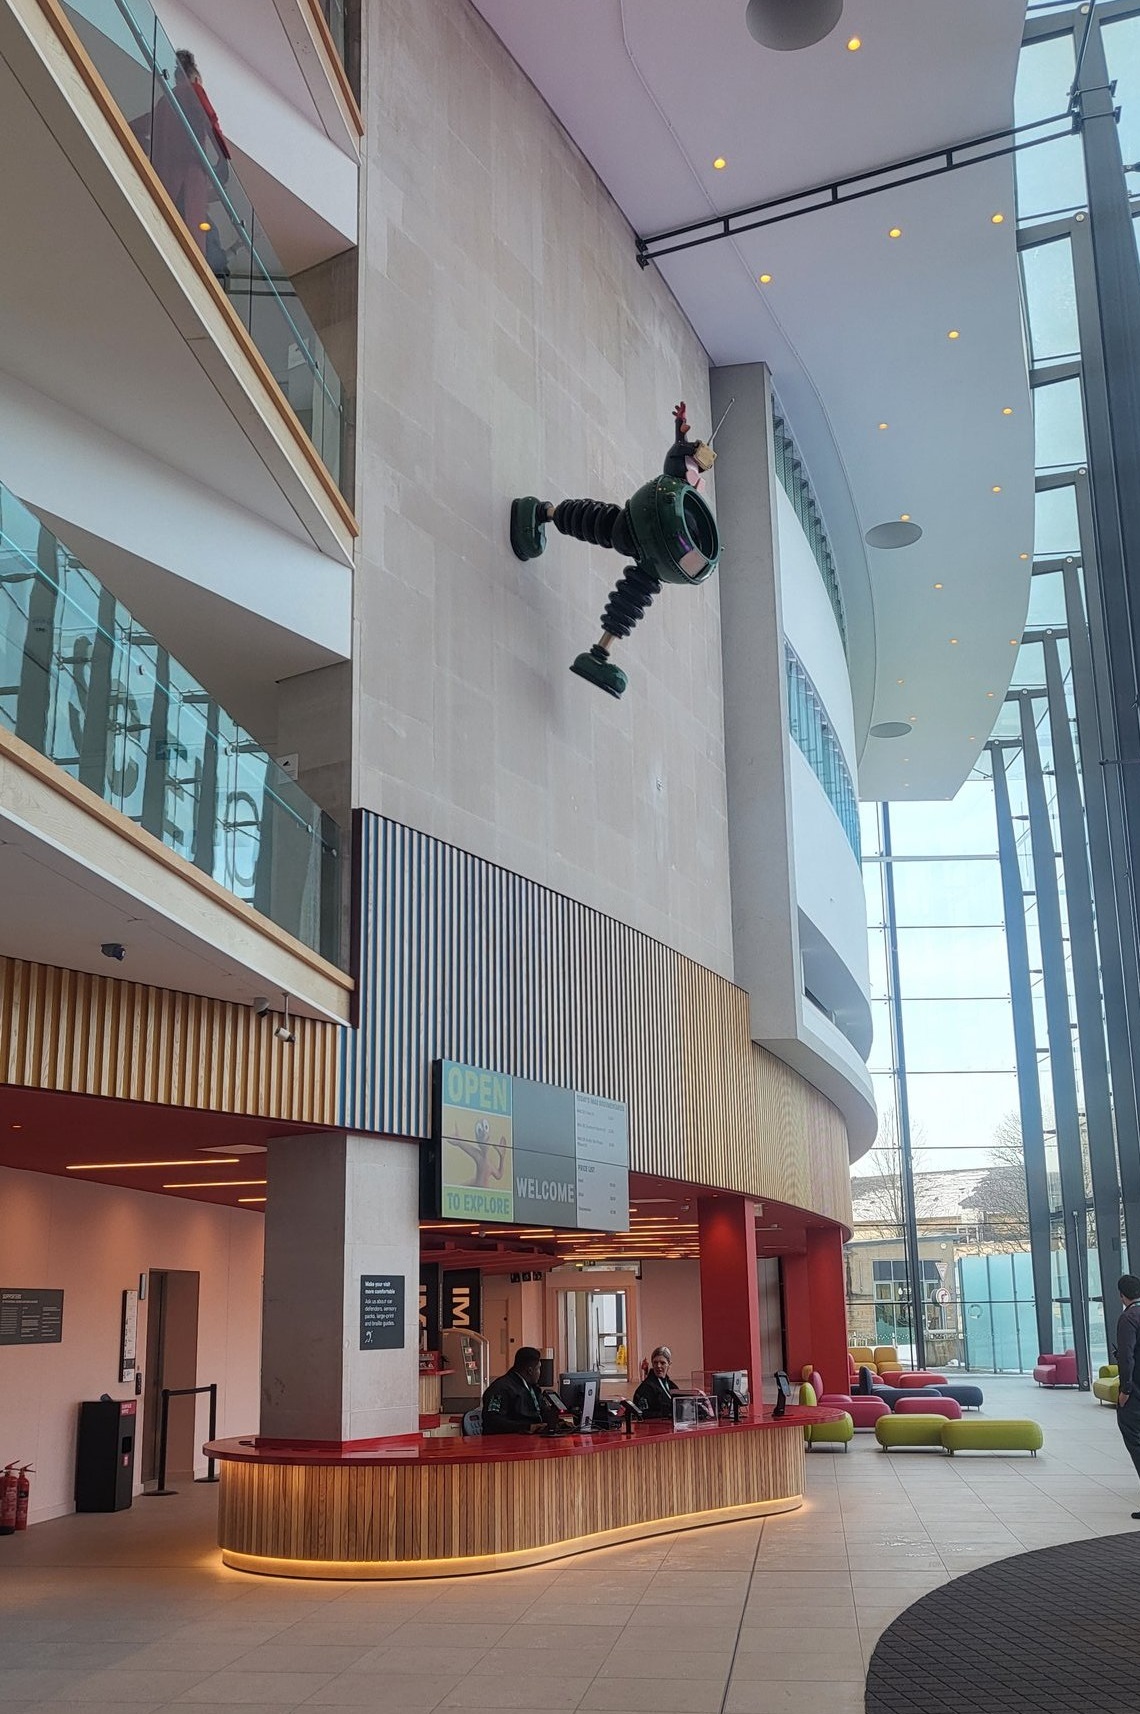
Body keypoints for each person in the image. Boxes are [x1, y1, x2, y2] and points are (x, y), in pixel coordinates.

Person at [151, 49, 232, 263]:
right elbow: (211, 121)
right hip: (190, 174)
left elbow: (139, 127)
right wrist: (223, 158)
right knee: (191, 238)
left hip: (167, 179)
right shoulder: (194, 90)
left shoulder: (162, 104)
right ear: (195, 77)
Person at [481, 1347, 571, 1435]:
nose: (540, 1373)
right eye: (539, 1368)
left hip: (532, 1439)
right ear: (530, 1370)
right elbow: (492, 1420)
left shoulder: (532, 1388)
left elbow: (542, 1413)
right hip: (508, 1442)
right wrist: (526, 1427)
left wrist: (558, 1423)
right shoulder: (500, 1388)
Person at [1113, 1273, 1140, 1517]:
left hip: (1137, 1392)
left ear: (1122, 1296)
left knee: (1133, 1436)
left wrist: (1125, 1390)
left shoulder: (1128, 1317)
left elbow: (1127, 1356)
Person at [633, 1347, 680, 1419]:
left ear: (669, 1364)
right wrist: (667, 1413)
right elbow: (642, 1413)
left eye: (662, 1363)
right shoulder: (645, 1388)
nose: (658, 1366)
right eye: (655, 1362)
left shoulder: (672, 1386)